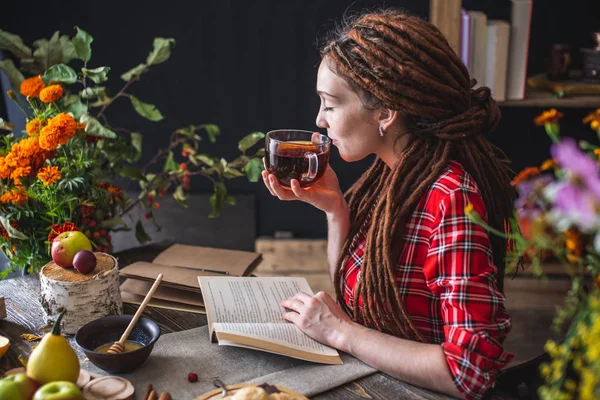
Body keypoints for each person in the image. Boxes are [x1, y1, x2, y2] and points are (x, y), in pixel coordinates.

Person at [262, 8, 516, 400]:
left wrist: (339, 332)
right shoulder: (389, 175)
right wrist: (336, 211)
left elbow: (469, 371)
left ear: (385, 112)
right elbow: (356, 302)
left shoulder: (450, 197)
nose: (319, 121)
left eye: (330, 104)